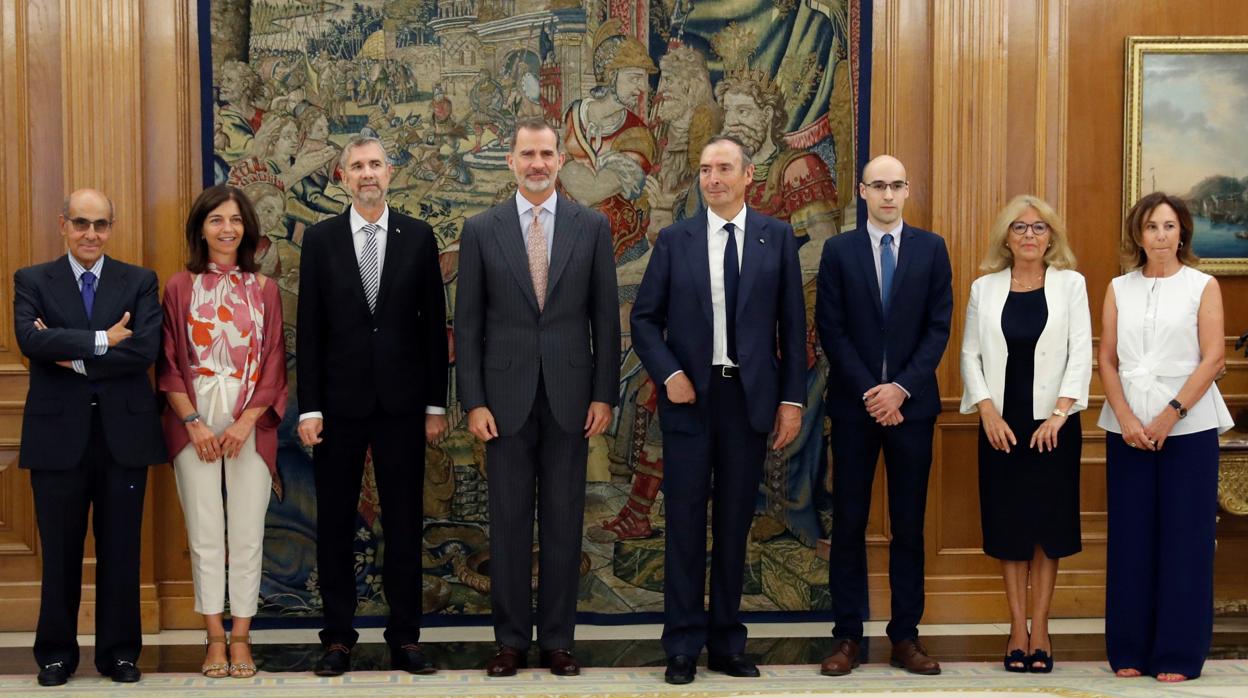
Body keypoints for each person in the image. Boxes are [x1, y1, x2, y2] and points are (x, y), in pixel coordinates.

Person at [631, 135, 805, 685]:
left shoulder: (775, 237)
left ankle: (728, 643)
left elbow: (794, 331)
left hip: (748, 401)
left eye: (723, 168)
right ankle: (681, 645)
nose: (713, 178)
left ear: (748, 175)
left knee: (734, 524)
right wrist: (672, 375)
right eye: (705, 170)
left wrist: (791, 402)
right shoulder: (674, 240)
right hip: (690, 399)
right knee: (683, 524)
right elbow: (644, 320)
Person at [455, 117, 620, 678]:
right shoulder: (481, 229)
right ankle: (508, 641)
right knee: (506, 521)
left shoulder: (591, 225)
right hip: (502, 401)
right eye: (527, 154)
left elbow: (604, 318)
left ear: (559, 158)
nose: (537, 163)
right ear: (511, 161)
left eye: (547, 153)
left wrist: (605, 394)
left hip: (573, 398)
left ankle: (557, 641)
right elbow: (468, 324)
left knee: (563, 519)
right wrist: (473, 401)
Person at [296, 135, 449, 676]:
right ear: (342, 176)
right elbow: (308, 331)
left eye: (376, 165)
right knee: (335, 524)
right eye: (356, 166)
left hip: (403, 406)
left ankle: (405, 638)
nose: (367, 174)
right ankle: (338, 638)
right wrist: (308, 407)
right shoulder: (320, 240)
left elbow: (434, 328)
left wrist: (436, 404)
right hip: (337, 407)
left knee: (404, 523)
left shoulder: (418, 236)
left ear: (391, 173)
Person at [14, 189, 167, 687]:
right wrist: (103, 340)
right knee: (59, 552)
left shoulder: (140, 281)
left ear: (112, 226)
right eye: (81, 223)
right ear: (62, 224)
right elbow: (31, 341)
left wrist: (69, 354)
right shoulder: (33, 280)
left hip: (124, 435)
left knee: (121, 551)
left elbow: (143, 351)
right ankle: (56, 655)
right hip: (57, 437)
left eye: (101, 224)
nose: (91, 234)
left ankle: (119, 654)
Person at [815, 155, 952, 677]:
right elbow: (831, 329)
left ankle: (905, 637)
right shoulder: (839, 251)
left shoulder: (932, 250)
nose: (889, 194)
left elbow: (938, 328)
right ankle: (847, 637)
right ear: (863, 191)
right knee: (848, 524)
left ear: (908, 189)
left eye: (897, 185)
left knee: (910, 528)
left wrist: (899, 390)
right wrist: (873, 392)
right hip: (854, 409)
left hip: (912, 411)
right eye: (879, 186)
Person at [1097, 192, 1232, 683]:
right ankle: (1129, 647)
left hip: (1189, 428)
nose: (1160, 235)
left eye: (1169, 227)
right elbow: (1107, 359)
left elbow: (1213, 358)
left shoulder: (1203, 286)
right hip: (1126, 426)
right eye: (1151, 227)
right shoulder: (1118, 287)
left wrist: (1169, 416)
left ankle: (1178, 653)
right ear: (1138, 234)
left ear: (1183, 234)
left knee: (1185, 540)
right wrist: (1129, 418)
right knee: (1131, 539)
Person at [157, 185, 288, 678]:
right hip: (193, 419)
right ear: (201, 228)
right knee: (205, 530)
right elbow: (168, 362)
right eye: (216, 220)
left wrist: (245, 423)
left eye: (235, 220)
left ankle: (242, 637)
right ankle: (213, 636)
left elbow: (275, 361)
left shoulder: (266, 291)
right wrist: (192, 422)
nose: (227, 229)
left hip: (250, 421)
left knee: (248, 533)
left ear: (247, 229)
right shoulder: (178, 287)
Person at [959, 195, 1092, 673]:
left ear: (1051, 236)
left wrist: (1059, 414)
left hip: (1054, 428)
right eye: (1020, 228)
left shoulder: (1071, 285)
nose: (1030, 236)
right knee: (1009, 528)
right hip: (1001, 427)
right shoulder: (984, 288)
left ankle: (1042, 628)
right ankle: (1017, 630)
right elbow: (970, 355)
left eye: (1039, 228)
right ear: (1006, 237)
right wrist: (988, 414)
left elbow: (1082, 353)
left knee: (1047, 531)